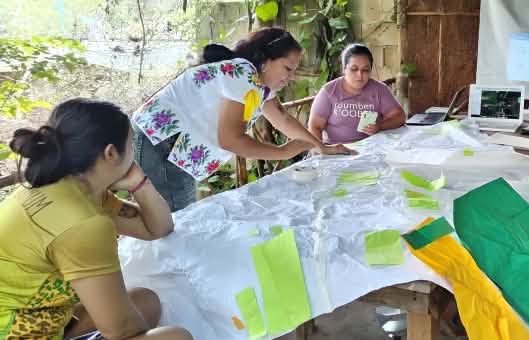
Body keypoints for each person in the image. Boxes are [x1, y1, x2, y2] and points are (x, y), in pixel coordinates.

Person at [0, 98, 191, 340]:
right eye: (131, 143)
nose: (133, 152)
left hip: (39, 318)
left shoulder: (62, 188)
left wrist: (139, 184)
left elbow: (159, 228)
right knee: (176, 337)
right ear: (111, 152)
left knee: (146, 301)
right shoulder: (83, 223)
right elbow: (124, 330)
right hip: (18, 332)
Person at [132, 27, 351, 211]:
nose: (291, 77)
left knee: (174, 220)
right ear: (265, 61)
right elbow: (231, 139)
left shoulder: (258, 84)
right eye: (287, 68)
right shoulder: (244, 75)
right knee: (170, 224)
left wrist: (320, 147)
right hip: (160, 141)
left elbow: (282, 117)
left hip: (169, 145)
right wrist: (282, 152)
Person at [308, 43, 406, 144]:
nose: (360, 75)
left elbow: (399, 116)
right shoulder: (329, 91)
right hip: (336, 150)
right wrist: (321, 151)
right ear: (344, 69)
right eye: (354, 69)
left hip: (371, 149)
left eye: (365, 70)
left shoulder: (379, 90)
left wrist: (380, 126)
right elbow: (315, 127)